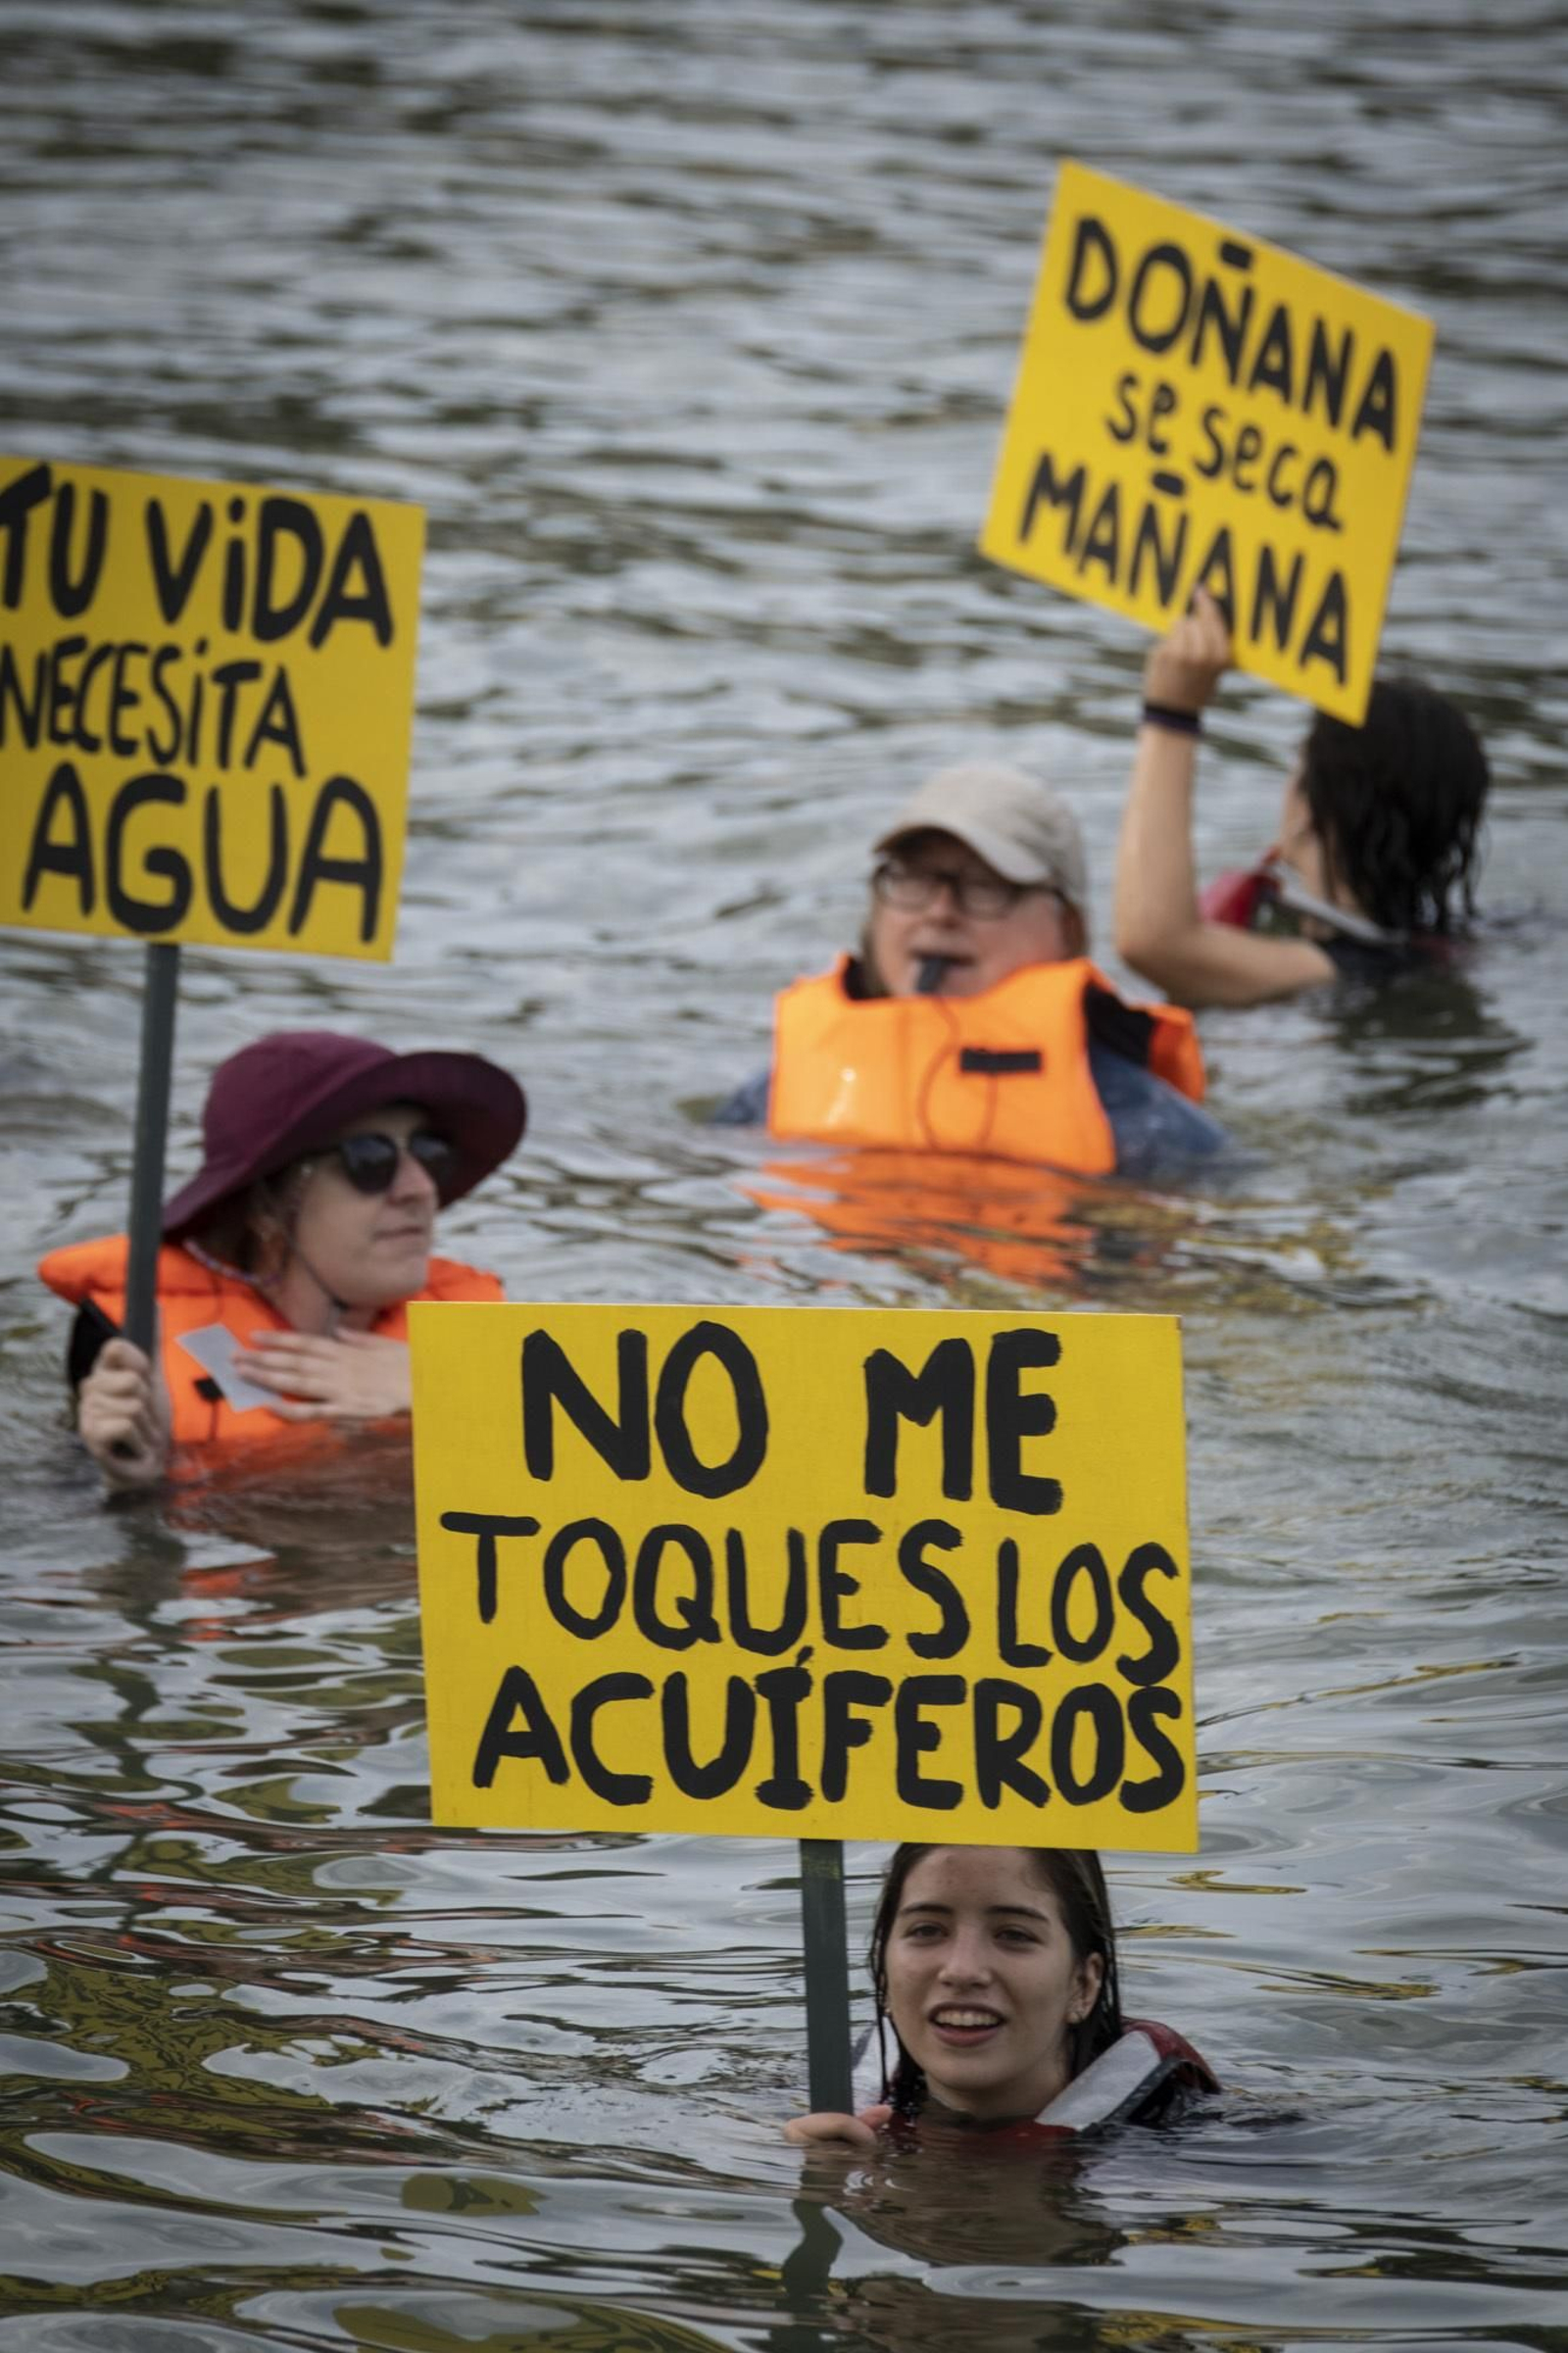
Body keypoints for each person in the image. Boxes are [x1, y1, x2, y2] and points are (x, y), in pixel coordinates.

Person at [38, 1029, 526, 1491]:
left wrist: (449, 1394)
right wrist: (136, 1484)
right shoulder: (137, 1345)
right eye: (370, 1160)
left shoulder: (490, 1350)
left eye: (429, 1153)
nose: (421, 1188)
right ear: (265, 1208)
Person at [715, 762, 1230, 1181]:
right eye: (914, 879)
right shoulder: (770, 1100)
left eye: (986, 887)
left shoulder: (1144, 1128)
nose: (940, 912)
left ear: (1068, 929)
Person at [1115, 589, 1491, 1007]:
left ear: (1309, 809)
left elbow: (1155, 944)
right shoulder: (1441, 944)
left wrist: (1170, 714)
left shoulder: (1340, 971)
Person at [785, 1843, 1216, 2145]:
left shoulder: (1193, 2161)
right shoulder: (810, 2116)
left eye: (1014, 1935)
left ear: (1083, 1986)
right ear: (883, 1974)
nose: (962, 1971)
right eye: (927, 1930)